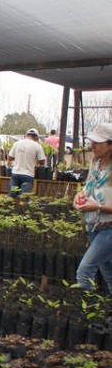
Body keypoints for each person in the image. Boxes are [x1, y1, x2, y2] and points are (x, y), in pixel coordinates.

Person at [74, 123, 112, 292]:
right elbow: (88, 187)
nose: (93, 146)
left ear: (110, 145)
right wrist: (80, 196)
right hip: (94, 226)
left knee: (84, 272)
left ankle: (83, 314)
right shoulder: (95, 164)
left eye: (98, 143)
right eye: (92, 142)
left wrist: (97, 206)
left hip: (109, 229)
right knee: (109, 273)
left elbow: (99, 203)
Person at [8, 128, 46, 196]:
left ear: (26, 135)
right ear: (36, 137)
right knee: (24, 197)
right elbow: (42, 162)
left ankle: (11, 205)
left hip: (15, 173)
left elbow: (10, 157)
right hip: (28, 174)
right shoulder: (37, 146)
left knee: (12, 195)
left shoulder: (17, 143)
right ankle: (22, 206)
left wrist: (19, 155)